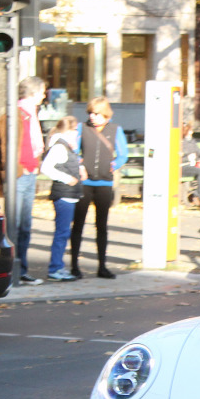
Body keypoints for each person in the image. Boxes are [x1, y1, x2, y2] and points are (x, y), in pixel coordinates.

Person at [0, 76, 48, 286]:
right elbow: (1, 146)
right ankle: (9, 271)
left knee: (25, 225)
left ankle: (22, 270)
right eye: (42, 91)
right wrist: (15, 169)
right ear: (33, 93)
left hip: (29, 173)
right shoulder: (14, 114)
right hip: (20, 175)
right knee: (13, 225)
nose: (44, 95)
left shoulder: (30, 114)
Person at [71, 96, 127, 279]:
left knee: (101, 226)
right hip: (85, 183)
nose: (92, 117)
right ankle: (74, 266)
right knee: (78, 224)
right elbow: (74, 150)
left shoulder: (115, 130)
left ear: (105, 114)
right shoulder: (82, 128)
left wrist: (113, 165)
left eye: (95, 113)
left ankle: (102, 266)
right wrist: (80, 165)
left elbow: (123, 154)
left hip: (104, 183)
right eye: (90, 113)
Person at [39, 115, 84, 281]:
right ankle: (55, 268)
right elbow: (46, 168)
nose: (77, 135)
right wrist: (67, 178)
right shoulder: (59, 148)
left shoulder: (65, 147)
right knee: (62, 232)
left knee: (63, 232)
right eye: (75, 131)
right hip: (64, 194)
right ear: (69, 131)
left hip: (69, 194)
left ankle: (58, 266)